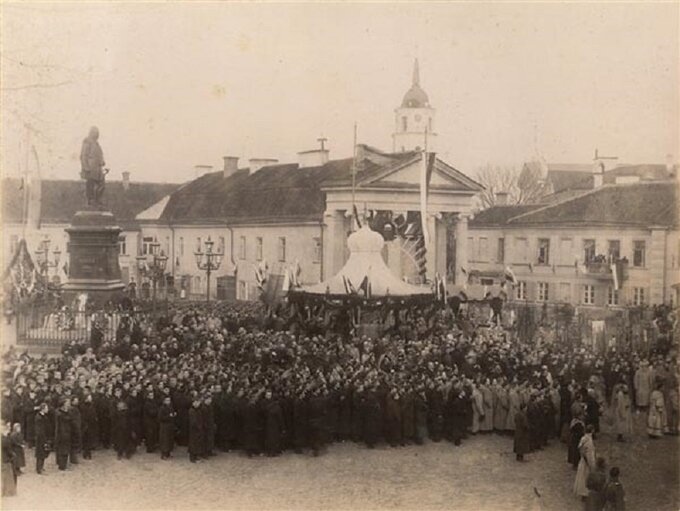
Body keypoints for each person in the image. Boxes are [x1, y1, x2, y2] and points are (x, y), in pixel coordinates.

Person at [79, 126, 107, 207]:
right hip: (90, 168)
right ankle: (91, 200)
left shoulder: (97, 144)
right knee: (90, 185)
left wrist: (102, 162)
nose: (97, 134)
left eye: (97, 132)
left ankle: (98, 200)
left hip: (98, 169)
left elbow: (98, 155)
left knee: (101, 185)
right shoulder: (87, 142)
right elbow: (83, 155)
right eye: (95, 132)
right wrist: (86, 167)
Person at [574, 424, 596, 500]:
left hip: (582, 461)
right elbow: (589, 453)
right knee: (586, 477)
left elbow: (580, 448)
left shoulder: (583, 438)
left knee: (582, 477)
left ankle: (583, 493)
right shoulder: (589, 441)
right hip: (587, 462)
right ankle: (585, 494)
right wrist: (591, 464)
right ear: (592, 431)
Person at [54, 400, 72, 470]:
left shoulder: (63, 412)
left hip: (66, 432)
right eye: (67, 404)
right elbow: (67, 418)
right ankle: (62, 466)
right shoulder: (60, 414)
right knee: (62, 450)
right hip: (62, 433)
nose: (68, 405)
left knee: (65, 449)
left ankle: (63, 464)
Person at [1, 422, 17, 497]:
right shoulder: (5, 440)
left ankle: (4, 491)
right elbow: (8, 450)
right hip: (6, 459)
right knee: (8, 476)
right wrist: (12, 455)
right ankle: (8, 492)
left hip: (3, 459)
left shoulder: (3, 438)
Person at [34, 403, 50, 474]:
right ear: (43, 409)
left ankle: (41, 467)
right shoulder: (38, 418)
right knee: (40, 453)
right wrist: (42, 438)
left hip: (44, 437)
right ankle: (39, 469)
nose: (47, 410)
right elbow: (39, 430)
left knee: (43, 452)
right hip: (40, 438)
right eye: (46, 408)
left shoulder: (44, 417)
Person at [188, 397, 204, 462]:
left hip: (198, 429)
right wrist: (199, 427)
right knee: (193, 443)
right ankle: (193, 458)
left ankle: (196, 456)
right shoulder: (192, 411)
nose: (197, 404)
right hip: (194, 430)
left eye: (198, 402)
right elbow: (193, 422)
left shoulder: (197, 410)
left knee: (197, 443)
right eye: (196, 402)